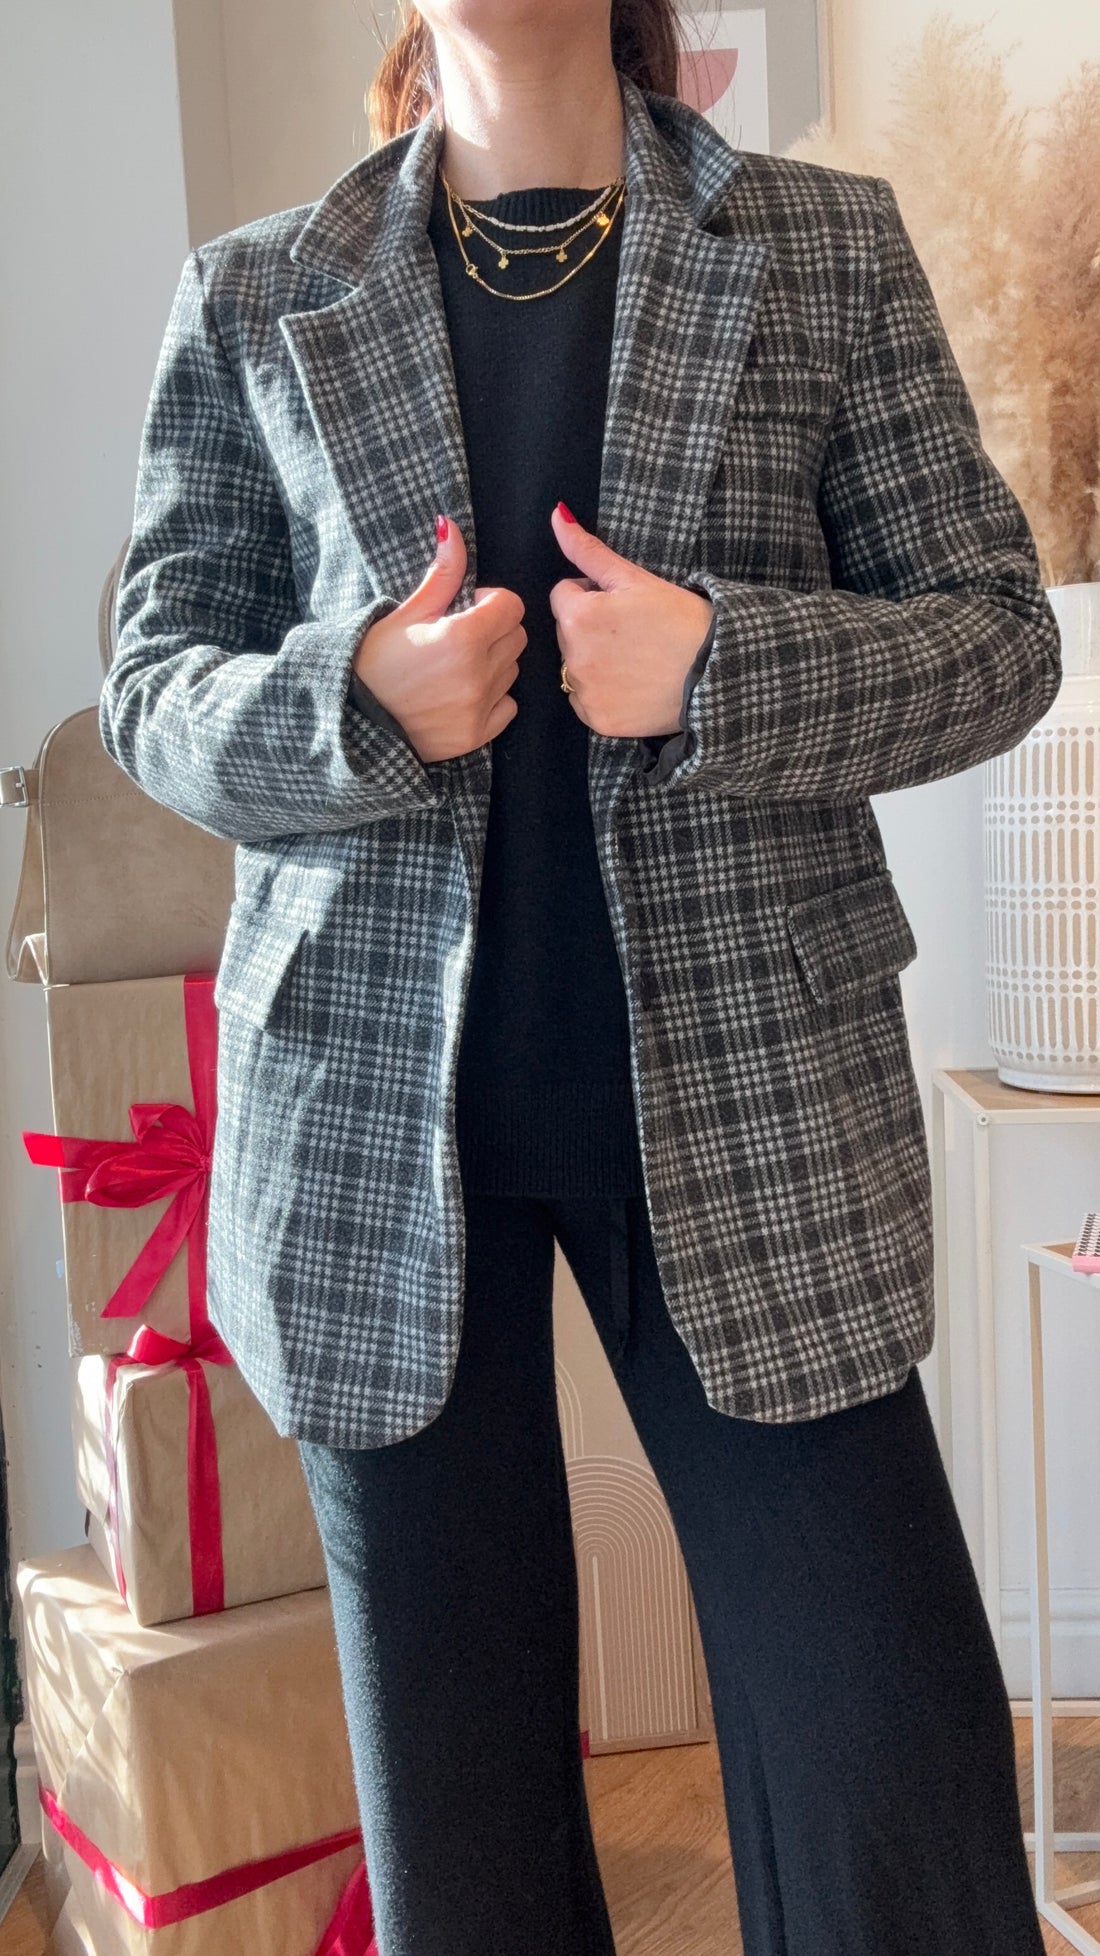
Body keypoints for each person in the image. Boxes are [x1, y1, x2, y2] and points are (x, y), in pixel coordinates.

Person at [100, 2, 1062, 1950]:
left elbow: (996, 637)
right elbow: (152, 692)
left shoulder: (820, 245)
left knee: (891, 1788)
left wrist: (725, 664)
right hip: (369, 1137)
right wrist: (352, 697)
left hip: (760, 1112)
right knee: (466, 1854)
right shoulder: (258, 291)